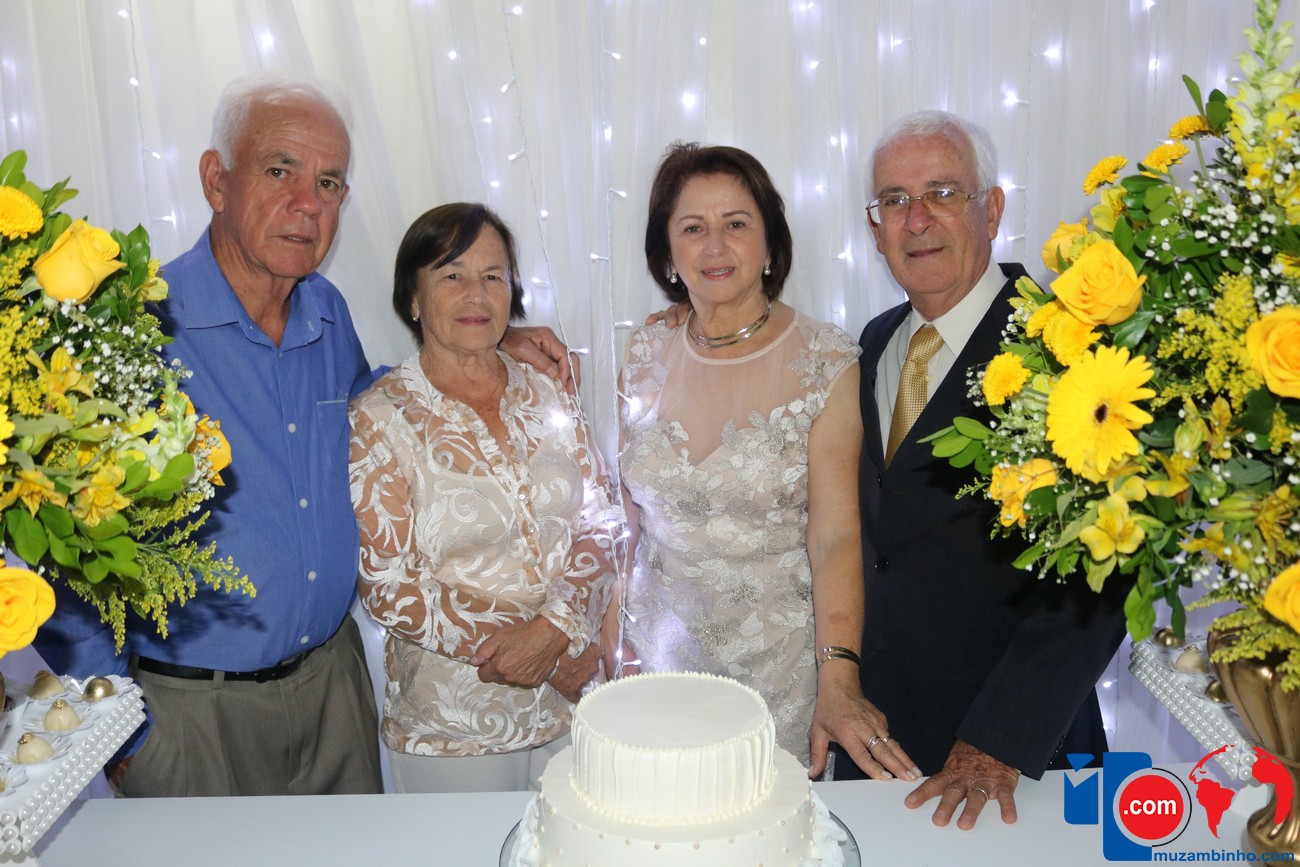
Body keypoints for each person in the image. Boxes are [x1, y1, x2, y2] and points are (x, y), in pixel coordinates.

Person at [33, 73, 572, 798]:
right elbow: (58, 544)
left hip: (333, 693)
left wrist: (484, 345)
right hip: (189, 714)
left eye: (328, 183)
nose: (307, 204)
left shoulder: (324, 307)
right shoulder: (134, 328)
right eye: (279, 171)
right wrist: (118, 726)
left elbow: (372, 408)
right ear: (216, 180)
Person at [832, 110, 1127, 829]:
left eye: (942, 192)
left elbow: (1105, 571)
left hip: (1016, 760)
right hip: (882, 740)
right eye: (894, 200)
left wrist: (1000, 737)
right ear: (875, 228)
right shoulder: (873, 343)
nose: (917, 219)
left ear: (991, 209)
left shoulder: (1066, 344)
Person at [611, 142, 919, 783]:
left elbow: (835, 538)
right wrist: (608, 643)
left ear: (770, 243)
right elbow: (628, 524)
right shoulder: (644, 351)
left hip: (776, 673)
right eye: (692, 228)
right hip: (653, 663)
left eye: (736, 223)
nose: (714, 246)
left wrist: (839, 676)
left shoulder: (826, 361)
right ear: (667, 254)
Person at [349, 203, 621, 793]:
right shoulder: (379, 418)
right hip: (455, 728)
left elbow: (602, 518)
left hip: (577, 705)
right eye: (451, 274)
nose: (475, 293)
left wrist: (558, 630)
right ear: (414, 297)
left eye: (493, 276)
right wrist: (542, 650)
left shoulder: (549, 388)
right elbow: (388, 585)